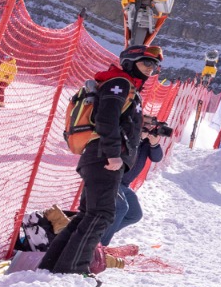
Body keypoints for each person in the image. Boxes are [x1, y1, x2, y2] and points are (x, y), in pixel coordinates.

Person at [39, 45, 161, 275]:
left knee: (88, 215)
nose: (150, 69)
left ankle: (51, 267)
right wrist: (114, 155)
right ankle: (72, 270)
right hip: (104, 158)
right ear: (130, 62)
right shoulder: (120, 83)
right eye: (146, 63)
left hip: (101, 158)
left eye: (154, 67)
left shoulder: (127, 87)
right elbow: (105, 119)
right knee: (101, 214)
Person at [102, 116, 171, 247]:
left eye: (152, 126)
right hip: (111, 179)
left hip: (124, 185)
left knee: (135, 214)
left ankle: (101, 234)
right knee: (122, 208)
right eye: (146, 124)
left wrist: (154, 144)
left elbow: (157, 158)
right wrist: (138, 138)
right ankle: (100, 245)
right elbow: (124, 150)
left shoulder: (146, 142)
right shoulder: (127, 134)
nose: (149, 128)